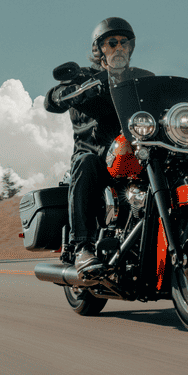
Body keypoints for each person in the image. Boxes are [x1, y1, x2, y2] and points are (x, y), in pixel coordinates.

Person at [45, 17, 153, 277]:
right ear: (99, 49)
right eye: (111, 43)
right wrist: (74, 92)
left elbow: (166, 97)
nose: (119, 48)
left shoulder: (143, 78)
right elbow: (52, 99)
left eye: (124, 43)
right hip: (96, 157)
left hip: (136, 154)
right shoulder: (86, 76)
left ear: (131, 47)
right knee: (86, 163)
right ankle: (82, 246)